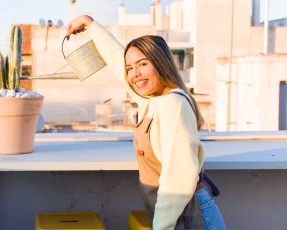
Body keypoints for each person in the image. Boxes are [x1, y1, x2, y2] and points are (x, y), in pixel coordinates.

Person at [66, 15, 226, 230]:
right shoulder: (152, 99)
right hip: (176, 215)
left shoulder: (172, 104)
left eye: (143, 64)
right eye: (130, 67)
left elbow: (179, 178)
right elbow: (116, 58)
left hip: (190, 216)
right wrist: (90, 24)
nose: (134, 74)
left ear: (160, 64)